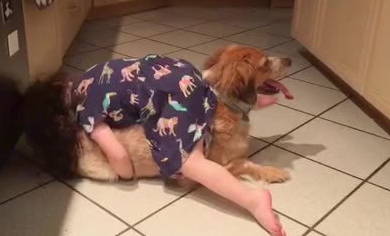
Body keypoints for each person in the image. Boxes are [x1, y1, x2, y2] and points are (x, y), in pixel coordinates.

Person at [78, 55, 285, 236]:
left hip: (174, 94)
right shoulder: (86, 77)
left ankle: (253, 200)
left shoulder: (85, 114)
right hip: (179, 73)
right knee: (204, 97)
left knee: (188, 161)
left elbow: (119, 157)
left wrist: (125, 175)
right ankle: (248, 102)